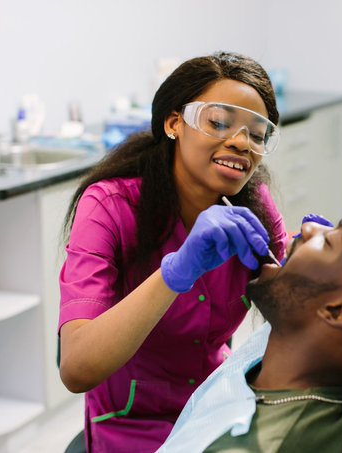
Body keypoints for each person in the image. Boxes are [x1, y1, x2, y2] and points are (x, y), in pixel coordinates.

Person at [57, 51, 289, 452]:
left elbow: (292, 319)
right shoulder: (110, 207)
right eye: (218, 122)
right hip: (131, 425)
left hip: (217, 408)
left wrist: (307, 268)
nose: (240, 142)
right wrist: (173, 274)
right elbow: (76, 369)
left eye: (256, 133)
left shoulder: (254, 206)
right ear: (173, 123)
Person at [158, 214, 342, 452]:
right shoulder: (308, 360)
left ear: (339, 311)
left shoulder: (253, 446)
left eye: (330, 242)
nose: (308, 230)